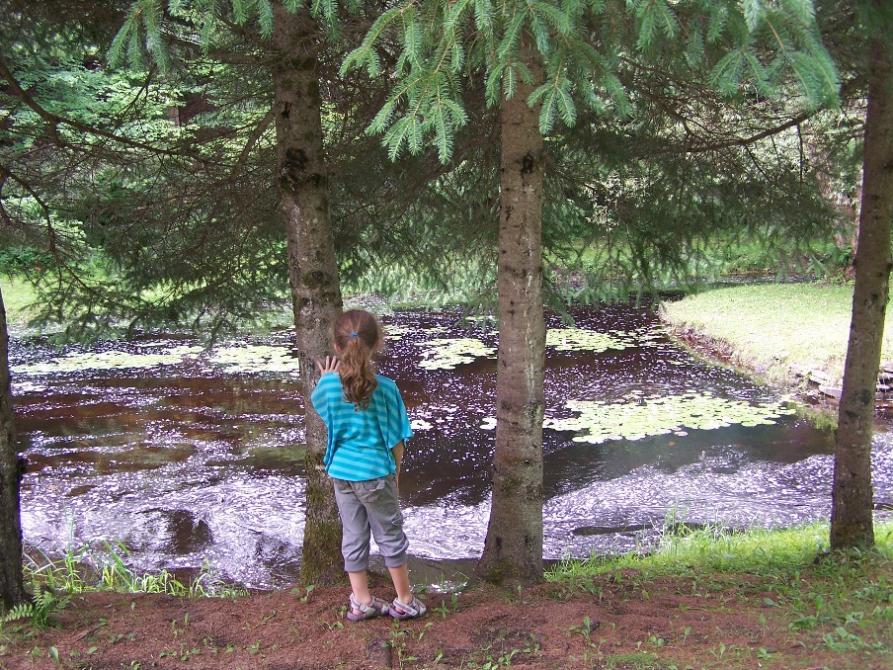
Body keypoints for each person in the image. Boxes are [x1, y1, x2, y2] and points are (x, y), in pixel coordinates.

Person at [310, 309, 426, 621]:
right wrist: (396, 476)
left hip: (342, 474)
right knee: (390, 534)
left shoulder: (327, 388)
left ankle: (361, 600)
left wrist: (324, 379)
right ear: (377, 345)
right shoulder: (386, 389)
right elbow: (396, 440)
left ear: (336, 347)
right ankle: (404, 599)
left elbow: (322, 404)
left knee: (353, 534)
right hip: (376, 474)